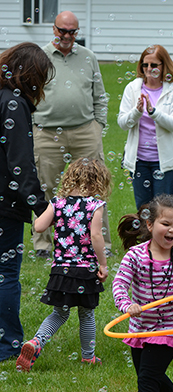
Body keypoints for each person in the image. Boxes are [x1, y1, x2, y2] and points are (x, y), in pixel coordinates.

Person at [16, 158, 111, 371]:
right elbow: (96, 235)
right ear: (98, 183)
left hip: (61, 270)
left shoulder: (57, 203)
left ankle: (36, 342)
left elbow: (39, 226)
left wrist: (57, 217)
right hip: (85, 271)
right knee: (86, 313)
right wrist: (103, 265)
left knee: (60, 313)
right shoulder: (95, 205)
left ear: (70, 178)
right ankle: (88, 357)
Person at [32, 10, 111, 259]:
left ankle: (101, 242)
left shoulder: (88, 57)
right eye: (62, 30)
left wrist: (98, 125)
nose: (66, 36)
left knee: (94, 187)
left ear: (77, 32)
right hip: (46, 132)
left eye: (72, 32)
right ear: (54, 29)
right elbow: (27, 93)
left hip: (84, 130)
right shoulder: (39, 57)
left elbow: (100, 95)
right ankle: (43, 245)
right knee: (47, 186)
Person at [0, 42, 55, 363]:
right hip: (4, 205)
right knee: (6, 273)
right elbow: (19, 164)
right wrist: (43, 207)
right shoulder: (14, 104)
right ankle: (7, 345)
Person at [113, 194, 173, 392]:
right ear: (150, 225)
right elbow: (120, 283)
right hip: (140, 326)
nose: (172, 230)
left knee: (147, 380)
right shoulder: (135, 256)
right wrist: (127, 305)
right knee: (151, 375)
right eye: (166, 223)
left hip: (169, 328)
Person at [118, 45, 173, 210]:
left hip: (165, 161)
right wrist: (137, 112)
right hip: (139, 160)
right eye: (145, 64)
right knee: (143, 210)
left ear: (164, 66)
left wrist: (153, 112)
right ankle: (146, 237)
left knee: (163, 210)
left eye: (154, 65)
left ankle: (162, 237)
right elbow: (122, 123)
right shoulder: (133, 88)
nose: (149, 69)